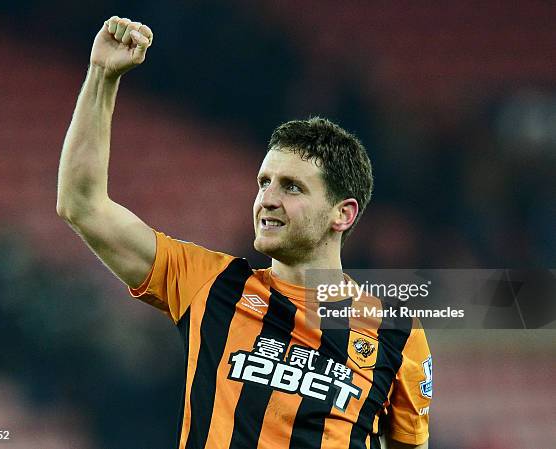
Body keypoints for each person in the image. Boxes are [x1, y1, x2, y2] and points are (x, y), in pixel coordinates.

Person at [57, 16, 432, 449]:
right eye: (264, 182)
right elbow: (82, 205)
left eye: (291, 187)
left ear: (342, 214)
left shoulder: (396, 334)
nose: (267, 199)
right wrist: (102, 75)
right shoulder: (211, 285)